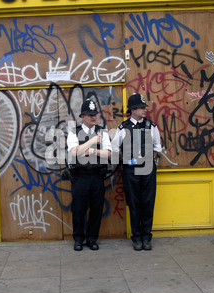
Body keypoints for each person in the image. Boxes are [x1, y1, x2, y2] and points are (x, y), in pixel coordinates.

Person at [111, 93, 162, 251]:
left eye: (144, 107)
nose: (145, 110)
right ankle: (136, 237)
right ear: (133, 110)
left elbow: (157, 147)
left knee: (148, 203)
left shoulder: (151, 126)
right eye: (141, 107)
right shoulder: (123, 128)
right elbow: (113, 148)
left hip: (147, 170)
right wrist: (125, 157)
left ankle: (147, 237)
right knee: (133, 204)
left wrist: (149, 160)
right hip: (130, 171)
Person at [67, 99, 112, 251]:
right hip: (80, 177)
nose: (94, 117)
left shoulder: (102, 132)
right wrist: (92, 141)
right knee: (79, 210)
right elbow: (75, 152)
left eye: (95, 114)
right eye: (90, 114)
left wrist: (92, 151)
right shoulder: (74, 132)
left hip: (97, 176)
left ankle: (92, 239)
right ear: (83, 116)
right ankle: (78, 239)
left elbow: (108, 154)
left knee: (96, 209)